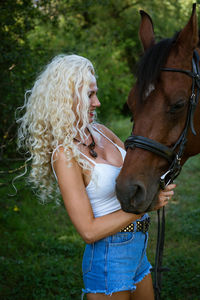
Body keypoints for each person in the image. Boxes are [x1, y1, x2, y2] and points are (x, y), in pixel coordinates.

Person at [17, 54, 176, 300]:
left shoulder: (102, 132)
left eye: (95, 93)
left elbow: (140, 170)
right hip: (108, 258)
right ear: (65, 97)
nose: (97, 102)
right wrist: (144, 206)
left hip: (138, 251)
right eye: (89, 95)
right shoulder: (65, 154)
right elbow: (88, 231)